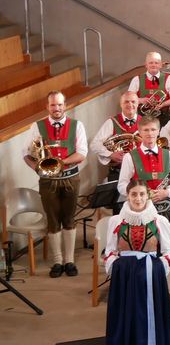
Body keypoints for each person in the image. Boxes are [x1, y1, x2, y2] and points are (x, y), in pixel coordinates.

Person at [103, 181, 170, 345]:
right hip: (125, 277)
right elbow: (109, 251)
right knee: (129, 321)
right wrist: (115, 267)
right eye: (134, 194)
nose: (138, 199)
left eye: (142, 194)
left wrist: (158, 268)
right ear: (127, 196)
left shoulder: (159, 220)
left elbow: (169, 251)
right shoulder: (116, 221)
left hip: (149, 275)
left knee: (149, 321)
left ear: (148, 196)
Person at [23, 92, 87, 277]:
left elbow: (82, 152)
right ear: (47, 106)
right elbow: (25, 152)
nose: (56, 108)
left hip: (71, 178)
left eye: (59, 105)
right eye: (52, 105)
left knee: (69, 218)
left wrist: (60, 163)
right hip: (47, 181)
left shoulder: (77, 125)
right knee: (52, 220)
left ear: (65, 105)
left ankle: (70, 261)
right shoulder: (37, 126)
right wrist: (37, 167)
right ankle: (57, 262)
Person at [117, 116, 170, 208]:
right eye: (146, 130)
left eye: (153, 129)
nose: (150, 133)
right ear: (139, 132)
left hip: (164, 206)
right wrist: (140, 194)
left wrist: (166, 192)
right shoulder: (129, 157)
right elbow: (122, 185)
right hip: (139, 207)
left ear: (158, 131)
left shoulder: (169, 155)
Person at [89, 90, 140, 182]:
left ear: (138, 104)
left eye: (133, 102)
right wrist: (110, 154)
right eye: (126, 102)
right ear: (121, 104)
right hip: (118, 172)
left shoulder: (144, 122)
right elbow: (94, 144)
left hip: (140, 172)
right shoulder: (111, 122)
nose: (130, 104)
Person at [128, 52, 170, 117]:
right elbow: (129, 97)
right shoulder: (137, 79)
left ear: (161, 65)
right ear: (146, 65)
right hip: (142, 118)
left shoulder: (169, 79)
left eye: (156, 63)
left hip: (164, 117)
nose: (153, 65)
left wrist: (164, 104)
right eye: (151, 63)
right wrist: (141, 100)